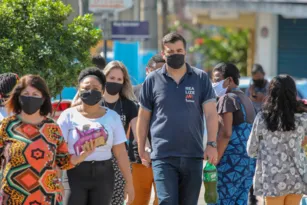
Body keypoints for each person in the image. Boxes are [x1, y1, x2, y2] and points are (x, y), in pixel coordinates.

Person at [137, 32, 218, 205]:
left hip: (193, 154)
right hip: (163, 155)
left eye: (179, 50)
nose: (175, 54)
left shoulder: (200, 78)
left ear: (185, 51)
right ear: (163, 53)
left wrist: (211, 144)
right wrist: (142, 146)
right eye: (170, 51)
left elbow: (211, 114)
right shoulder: (152, 80)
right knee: (166, 201)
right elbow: (143, 117)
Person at [0, 74, 95, 204]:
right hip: (12, 198)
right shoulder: (6, 126)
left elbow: (63, 161)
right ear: (18, 96)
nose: (30, 97)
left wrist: (81, 157)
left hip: (46, 198)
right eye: (26, 93)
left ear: (43, 98)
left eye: (35, 94)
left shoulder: (52, 127)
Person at [57, 68, 134, 205]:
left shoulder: (112, 117)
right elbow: (57, 151)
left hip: (104, 176)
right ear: (79, 91)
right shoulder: (67, 116)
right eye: (86, 88)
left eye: (96, 88)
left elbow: (121, 152)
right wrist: (57, 180)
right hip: (73, 173)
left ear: (103, 91)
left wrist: (129, 183)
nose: (91, 91)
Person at [247, 74, 307, 205]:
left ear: (271, 92)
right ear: (293, 92)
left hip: (272, 178)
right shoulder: (303, 117)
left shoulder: (262, 118)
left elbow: (251, 150)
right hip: (297, 175)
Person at [210, 63, 256, 205]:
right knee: (240, 201)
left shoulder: (227, 98)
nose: (214, 84)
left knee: (220, 200)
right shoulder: (246, 99)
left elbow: (225, 133)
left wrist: (214, 159)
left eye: (217, 79)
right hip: (248, 163)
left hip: (230, 162)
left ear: (229, 80)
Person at [102, 61, 138, 205]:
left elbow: (137, 130)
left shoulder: (129, 105)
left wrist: (145, 148)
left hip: (120, 160)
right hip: (94, 160)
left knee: (116, 201)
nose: (115, 82)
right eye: (111, 78)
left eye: (119, 79)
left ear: (124, 82)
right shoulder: (93, 102)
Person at [131, 54, 165, 205]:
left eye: (163, 71)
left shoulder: (169, 93)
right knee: (137, 200)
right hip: (139, 157)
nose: (159, 75)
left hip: (164, 156)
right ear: (147, 70)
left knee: (163, 199)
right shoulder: (133, 92)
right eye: (155, 70)